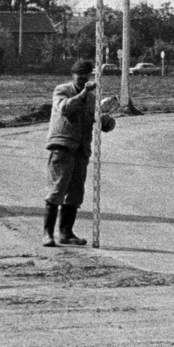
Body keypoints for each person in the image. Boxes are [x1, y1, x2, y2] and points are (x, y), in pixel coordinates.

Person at [42, 59, 115, 247]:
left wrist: (106, 121)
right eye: (79, 74)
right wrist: (84, 93)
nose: (83, 78)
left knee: (75, 193)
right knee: (57, 189)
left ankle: (66, 233)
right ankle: (47, 234)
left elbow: (95, 120)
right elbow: (65, 109)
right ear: (72, 75)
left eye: (87, 74)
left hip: (81, 149)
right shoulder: (62, 90)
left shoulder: (91, 98)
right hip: (63, 146)